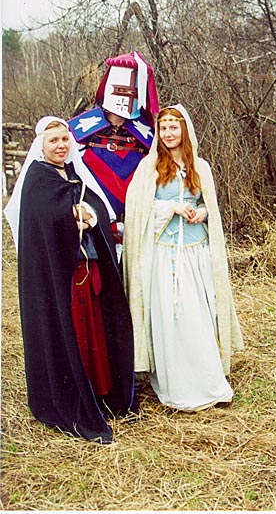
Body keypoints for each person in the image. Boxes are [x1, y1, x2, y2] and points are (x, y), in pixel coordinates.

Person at [4, 116, 136, 444]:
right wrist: (70, 217)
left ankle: (98, 391)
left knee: (94, 332)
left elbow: (95, 209)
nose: (61, 146)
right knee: (72, 332)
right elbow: (45, 222)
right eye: (54, 141)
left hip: (87, 272)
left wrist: (89, 216)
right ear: (42, 145)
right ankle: (75, 396)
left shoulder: (75, 173)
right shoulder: (38, 180)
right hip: (61, 279)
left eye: (65, 139)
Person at [123, 104, 244, 411]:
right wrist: (171, 208)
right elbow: (137, 211)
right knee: (170, 317)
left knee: (198, 317)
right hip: (164, 255)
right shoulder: (148, 167)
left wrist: (202, 212)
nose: (168, 133)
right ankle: (175, 386)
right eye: (163, 128)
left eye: (173, 127)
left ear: (184, 130)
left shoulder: (200, 167)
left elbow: (209, 206)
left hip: (195, 253)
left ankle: (208, 383)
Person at [67, 52, 159, 235]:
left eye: (132, 92)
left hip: (136, 220)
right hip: (91, 217)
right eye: (121, 90)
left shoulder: (148, 134)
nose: (126, 97)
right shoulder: (80, 130)